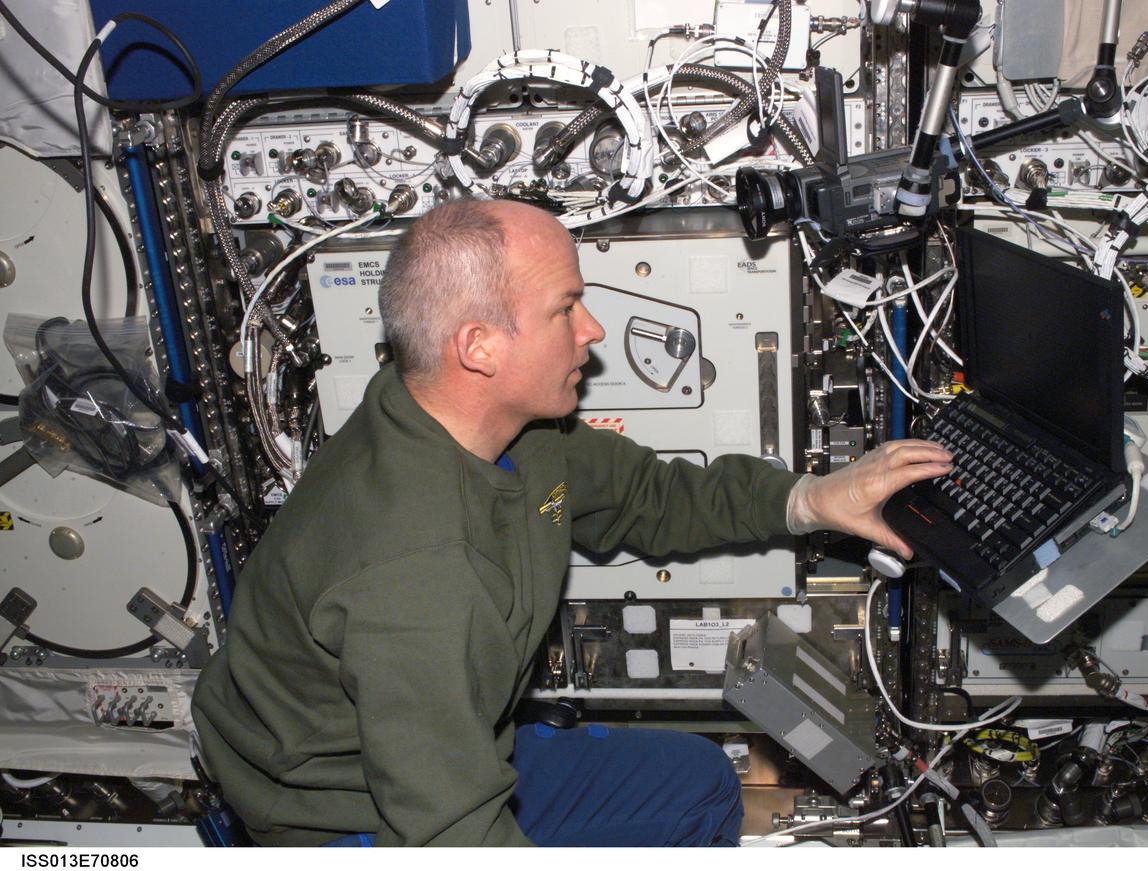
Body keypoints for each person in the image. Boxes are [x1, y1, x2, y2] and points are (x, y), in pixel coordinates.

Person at [191, 199, 953, 847]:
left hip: (449, 741)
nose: (591, 330)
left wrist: (811, 499)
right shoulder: (417, 572)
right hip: (342, 808)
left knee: (698, 785)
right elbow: (451, 831)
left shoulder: (482, 421)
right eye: (565, 307)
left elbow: (649, 496)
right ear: (479, 348)